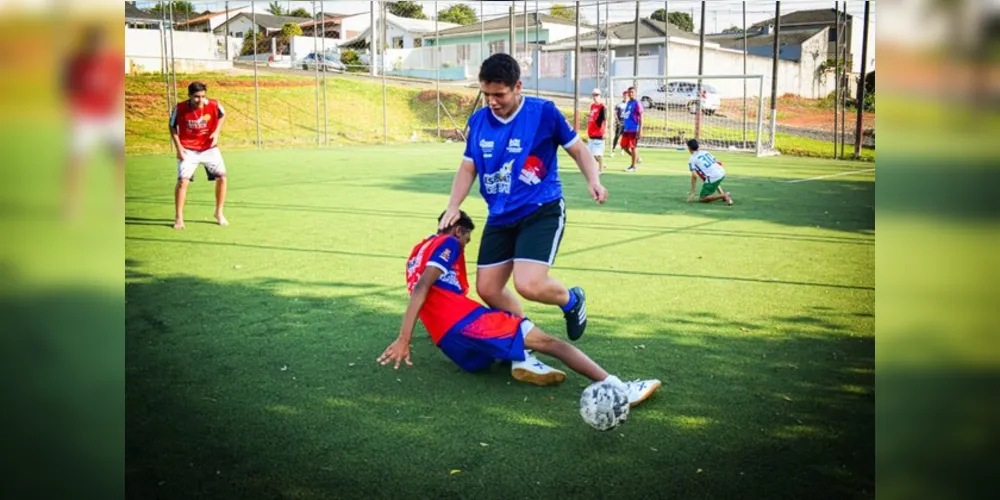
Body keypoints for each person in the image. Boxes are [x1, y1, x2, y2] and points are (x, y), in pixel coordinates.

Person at [378, 210, 661, 408]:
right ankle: (620, 388)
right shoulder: (449, 242)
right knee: (551, 343)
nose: (465, 245)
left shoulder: (417, 251)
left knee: (489, 356)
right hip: (468, 323)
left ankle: (519, 358)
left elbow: (423, 292)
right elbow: (421, 289)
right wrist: (404, 339)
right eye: (466, 239)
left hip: (450, 344)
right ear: (458, 229)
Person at [438, 53, 607, 342]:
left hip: (540, 208)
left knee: (529, 284)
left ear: (518, 86)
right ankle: (525, 336)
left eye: (499, 94)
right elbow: (469, 167)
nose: (492, 101)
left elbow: (578, 149)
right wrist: (453, 205)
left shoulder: (544, 113)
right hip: (501, 214)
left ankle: (571, 300)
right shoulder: (479, 120)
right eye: (487, 93)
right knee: (488, 289)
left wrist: (593, 179)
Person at [62, 25, 125, 219]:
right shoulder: (76, 62)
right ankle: (72, 205)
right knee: (77, 160)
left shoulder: (114, 60)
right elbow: (66, 85)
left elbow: (118, 84)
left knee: (119, 158)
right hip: (85, 116)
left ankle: (118, 201)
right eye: (93, 43)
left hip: (109, 116)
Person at [170, 82, 228, 229]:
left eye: (202, 96)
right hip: (188, 149)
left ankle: (219, 213)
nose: (200, 100)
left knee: (222, 177)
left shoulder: (214, 105)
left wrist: (216, 132)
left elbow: (222, 115)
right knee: (183, 181)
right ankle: (179, 217)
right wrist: (179, 148)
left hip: (209, 148)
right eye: (196, 97)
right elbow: (172, 126)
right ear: (189, 96)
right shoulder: (180, 108)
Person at [686, 139, 733, 205]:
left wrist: (693, 192)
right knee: (711, 179)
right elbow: (718, 162)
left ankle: (724, 195)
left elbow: (694, 176)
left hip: (714, 176)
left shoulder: (692, 159)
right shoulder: (705, 152)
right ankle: (723, 195)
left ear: (689, 148)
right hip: (722, 171)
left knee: (702, 198)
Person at [620, 87, 643, 172]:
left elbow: (641, 117)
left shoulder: (637, 103)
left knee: (633, 147)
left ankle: (633, 167)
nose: (630, 94)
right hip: (627, 129)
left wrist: (640, 130)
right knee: (624, 146)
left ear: (636, 93)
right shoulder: (629, 103)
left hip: (634, 129)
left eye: (632, 92)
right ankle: (637, 158)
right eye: (629, 92)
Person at [586, 88, 607, 174]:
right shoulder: (592, 106)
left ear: (600, 96)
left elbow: (604, 120)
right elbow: (592, 117)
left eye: (597, 95)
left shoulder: (602, 107)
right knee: (591, 154)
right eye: (594, 95)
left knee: (597, 153)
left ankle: (601, 169)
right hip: (591, 132)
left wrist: (605, 131)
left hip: (599, 133)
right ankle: (602, 165)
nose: (595, 97)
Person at [611, 91, 627, 157]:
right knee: (617, 136)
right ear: (623, 96)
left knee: (624, 137)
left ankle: (622, 149)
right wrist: (617, 121)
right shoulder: (619, 104)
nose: (626, 97)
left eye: (627, 95)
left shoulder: (629, 104)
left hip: (626, 123)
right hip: (620, 122)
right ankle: (613, 149)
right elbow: (615, 113)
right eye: (624, 95)